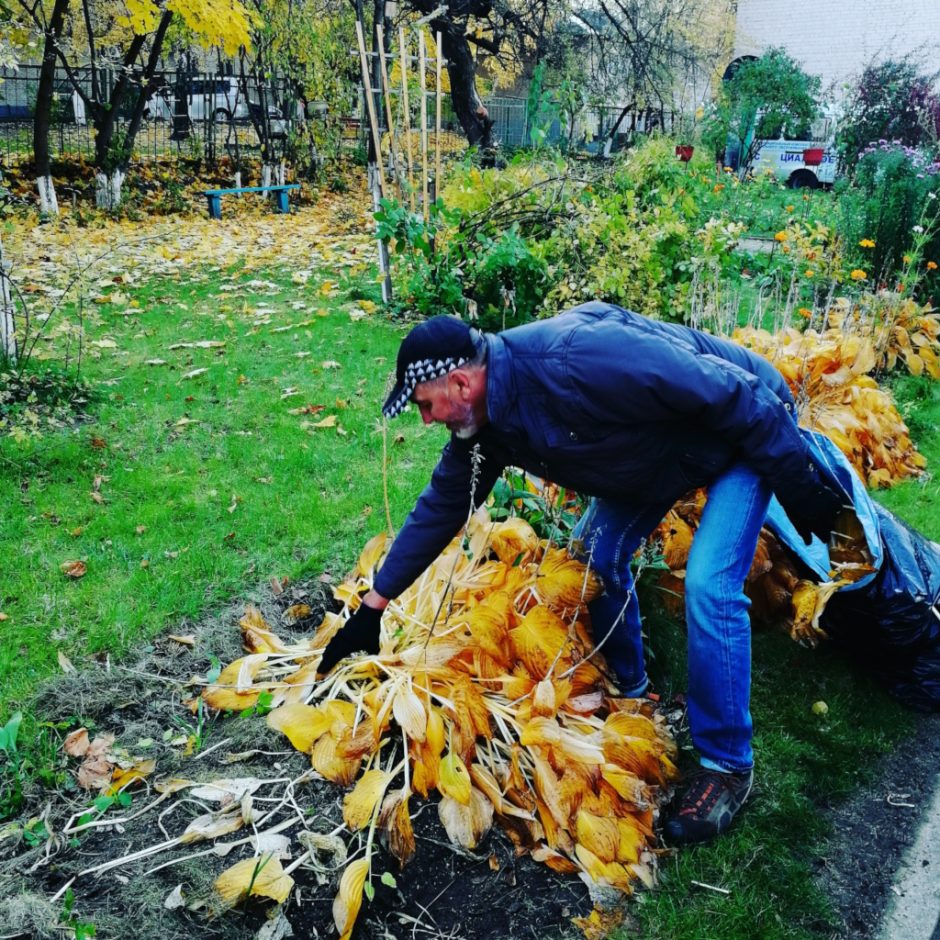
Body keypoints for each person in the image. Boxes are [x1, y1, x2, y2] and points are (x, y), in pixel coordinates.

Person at [318, 304, 845, 844]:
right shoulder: (486, 420)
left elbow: (733, 394)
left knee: (709, 583)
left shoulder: (578, 357)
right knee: (594, 556)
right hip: (663, 455)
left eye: (427, 406)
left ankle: (727, 764)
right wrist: (373, 606)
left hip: (741, 429)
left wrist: (797, 483)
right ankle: (636, 696)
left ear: (459, 381)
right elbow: (442, 505)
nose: (427, 420)